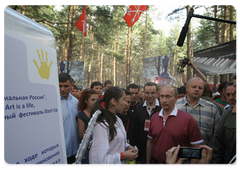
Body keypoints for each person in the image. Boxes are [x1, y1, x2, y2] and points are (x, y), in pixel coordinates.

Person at [146, 85, 203, 165]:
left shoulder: (187, 119)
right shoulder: (154, 117)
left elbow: (196, 147)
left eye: (168, 97)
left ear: (177, 98)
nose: (164, 100)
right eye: (162, 96)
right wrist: (147, 164)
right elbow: (150, 142)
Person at [89, 87, 138, 165]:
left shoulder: (117, 119)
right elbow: (98, 160)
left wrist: (127, 146)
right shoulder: (102, 125)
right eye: (124, 99)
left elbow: (115, 143)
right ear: (113, 101)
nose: (126, 103)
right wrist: (123, 156)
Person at [176, 77, 220, 146]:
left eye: (200, 88)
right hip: (179, 153)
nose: (197, 89)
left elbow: (217, 135)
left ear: (203, 90)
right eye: (194, 87)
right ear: (187, 88)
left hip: (204, 154)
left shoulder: (211, 108)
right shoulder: (176, 106)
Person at [210, 74, 237, 165]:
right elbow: (217, 145)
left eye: (234, 94)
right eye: (228, 95)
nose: (231, 98)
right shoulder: (227, 113)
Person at [134, 82, 161, 164]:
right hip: (142, 152)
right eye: (147, 93)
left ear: (157, 93)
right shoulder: (138, 108)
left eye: (152, 93)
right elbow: (135, 131)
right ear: (143, 93)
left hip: (159, 152)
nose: (150, 96)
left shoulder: (162, 108)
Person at [59, 73, 80, 165]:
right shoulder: (52, 102)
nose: (62, 89)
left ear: (72, 85)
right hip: (61, 151)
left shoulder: (76, 102)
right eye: (59, 86)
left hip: (75, 150)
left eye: (66, 86)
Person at [77, 88, 99, 164]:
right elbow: (81, 135)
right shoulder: (82, 115)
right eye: (93, 100)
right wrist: (92, 126)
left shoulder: (100, 113)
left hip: (98, 148)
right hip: (87, 151)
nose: (96, 102)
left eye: (97, 99)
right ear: (86, 101)